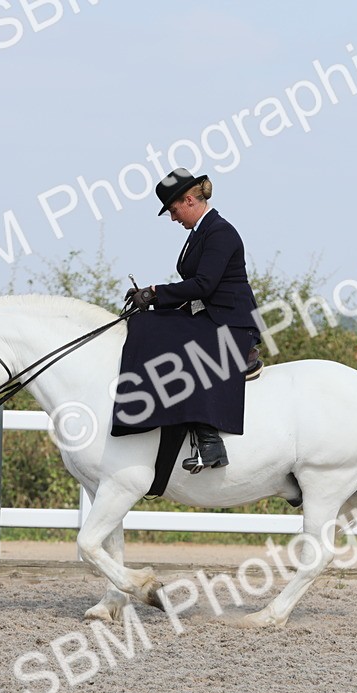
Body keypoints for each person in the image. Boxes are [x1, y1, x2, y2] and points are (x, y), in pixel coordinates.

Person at [113, 168, 263, 471]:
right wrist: (152, 298)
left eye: (173, 209)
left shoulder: (220, 231)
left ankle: (209, 441)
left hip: (231, 323)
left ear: (189, 199)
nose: (173, 217)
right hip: (210, 315)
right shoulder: (200, 233)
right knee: (146, 324)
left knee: (175, 344)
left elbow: (205, 284)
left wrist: (156, 292)